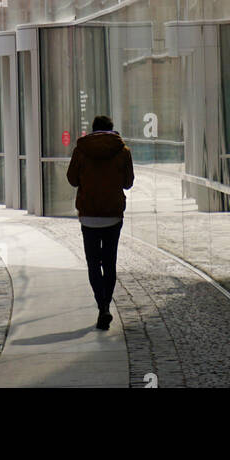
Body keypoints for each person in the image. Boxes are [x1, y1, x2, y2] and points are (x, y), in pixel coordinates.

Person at [66, 114, 134, 330]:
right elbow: (128, 183)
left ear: (93, 130)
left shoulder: (81, 150)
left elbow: (72, 179)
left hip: (88, 215)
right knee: (110, 261)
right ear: (111, 129)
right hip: (113, 215)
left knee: (94, 263)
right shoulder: (122, 151)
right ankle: (105, 305)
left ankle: (102, 306)